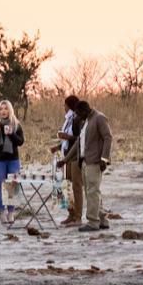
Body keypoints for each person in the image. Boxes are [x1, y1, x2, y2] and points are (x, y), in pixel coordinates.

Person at [59, 99, 112, 231]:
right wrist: (65, 160)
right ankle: (102, 220)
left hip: (94, 162)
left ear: (84, 110)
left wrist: (104, 158)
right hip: (84, 162)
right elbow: (78, 143)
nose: (76, 116)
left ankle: (93, 222)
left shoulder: (99, 118)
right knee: (92, 193)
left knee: (92, 192)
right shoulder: (85, 122)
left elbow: (108, 137)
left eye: (78, 113)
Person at [50, 94, 85, 227]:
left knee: (76, 186)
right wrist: (58, 147)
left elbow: (79, 139)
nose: (63, 107)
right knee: (66, 186)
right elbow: (69, 141)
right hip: (67, 156)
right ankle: (71, 213)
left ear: (69, 106)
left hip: (75, 157)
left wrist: (67, 137)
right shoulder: (69, 119)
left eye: (65, 105)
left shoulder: (77, 120)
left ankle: (78, 217)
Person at [0, 99, 25, 220]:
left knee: (12, 186)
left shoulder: (16, 124)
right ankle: (1, 211)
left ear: (10, 110)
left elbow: (20, 142)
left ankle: (11, 212)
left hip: (13, 159)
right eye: (1, 109)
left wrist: (11, 134)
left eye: (6, 108)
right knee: (0, 186)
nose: (3, 111)